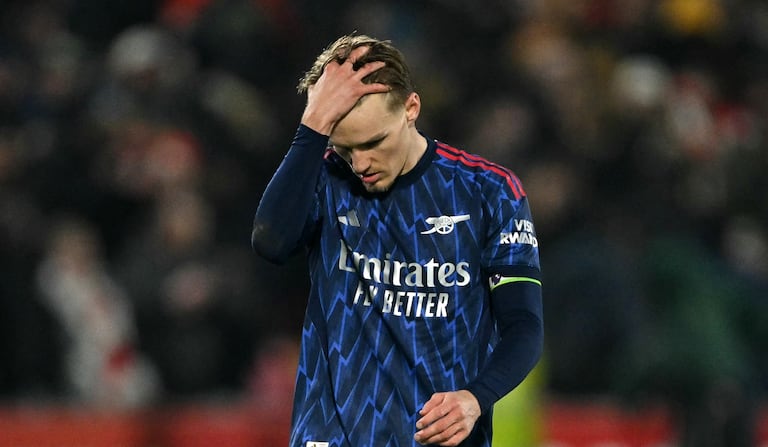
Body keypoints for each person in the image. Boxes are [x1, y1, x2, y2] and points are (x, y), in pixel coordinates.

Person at [251, 34, 543, 447]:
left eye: (373, 143)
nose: (361, 164)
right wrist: (312, 127)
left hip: (435, 438)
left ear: (411, 108)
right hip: (329, 437)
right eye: (345, 147)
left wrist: (476, 398)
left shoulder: (488, 192)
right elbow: (270, 242)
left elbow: (524, 325)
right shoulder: (322, 178)